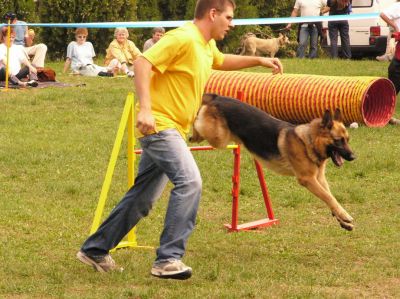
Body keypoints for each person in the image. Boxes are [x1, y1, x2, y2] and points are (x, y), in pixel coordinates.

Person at [76, 0, 283, 280]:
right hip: (160, 125)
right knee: (190, 181)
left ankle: (95, 249)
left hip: (173, 128)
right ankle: (168, 259)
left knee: (144, 198)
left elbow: (220, 60)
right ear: (212, 14)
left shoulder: (204, 43)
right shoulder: (183, 38)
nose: (232, 24)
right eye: (229, 17)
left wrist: (259, 60)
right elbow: (142, 63)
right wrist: (146, 109)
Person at [380, 1, 400, 125]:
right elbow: (383, 14)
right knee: (392, 85)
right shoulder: (397, 6)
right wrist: (396, 27)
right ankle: (383, 111)